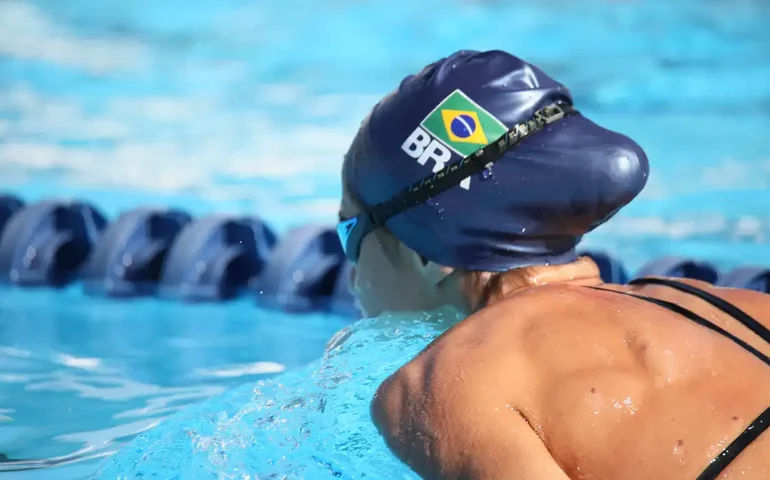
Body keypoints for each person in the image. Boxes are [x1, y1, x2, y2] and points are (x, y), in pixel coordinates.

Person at [336, 50, 770, 479]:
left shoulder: (448, 382)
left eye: (349, 232)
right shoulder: (730, 305)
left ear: (425, 249)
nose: (352, 274)